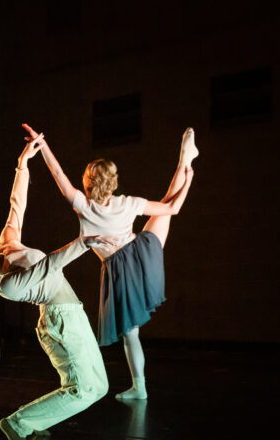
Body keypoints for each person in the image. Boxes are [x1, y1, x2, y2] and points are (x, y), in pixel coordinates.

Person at [0, 132, 114, 440]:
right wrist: (85, 241)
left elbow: (16, 204)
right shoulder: (6, 284)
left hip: (68, 316)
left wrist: (22, 164)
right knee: (87, 389)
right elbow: (48, 266)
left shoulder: (6, 243)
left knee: (91, 387)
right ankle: (18, 423)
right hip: (60, 322)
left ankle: (33, 421)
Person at [23, 123, 196, 400]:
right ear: (113, 181)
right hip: (143, 252)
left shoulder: (83, 206)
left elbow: (58, 174)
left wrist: (42, 145)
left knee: (131, 334)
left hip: (122, 269)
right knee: (164, 207)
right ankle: (183, 162)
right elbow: (173, 208)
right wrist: (188, 178)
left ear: (88, 182)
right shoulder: (128, 202)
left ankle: (140, 387)